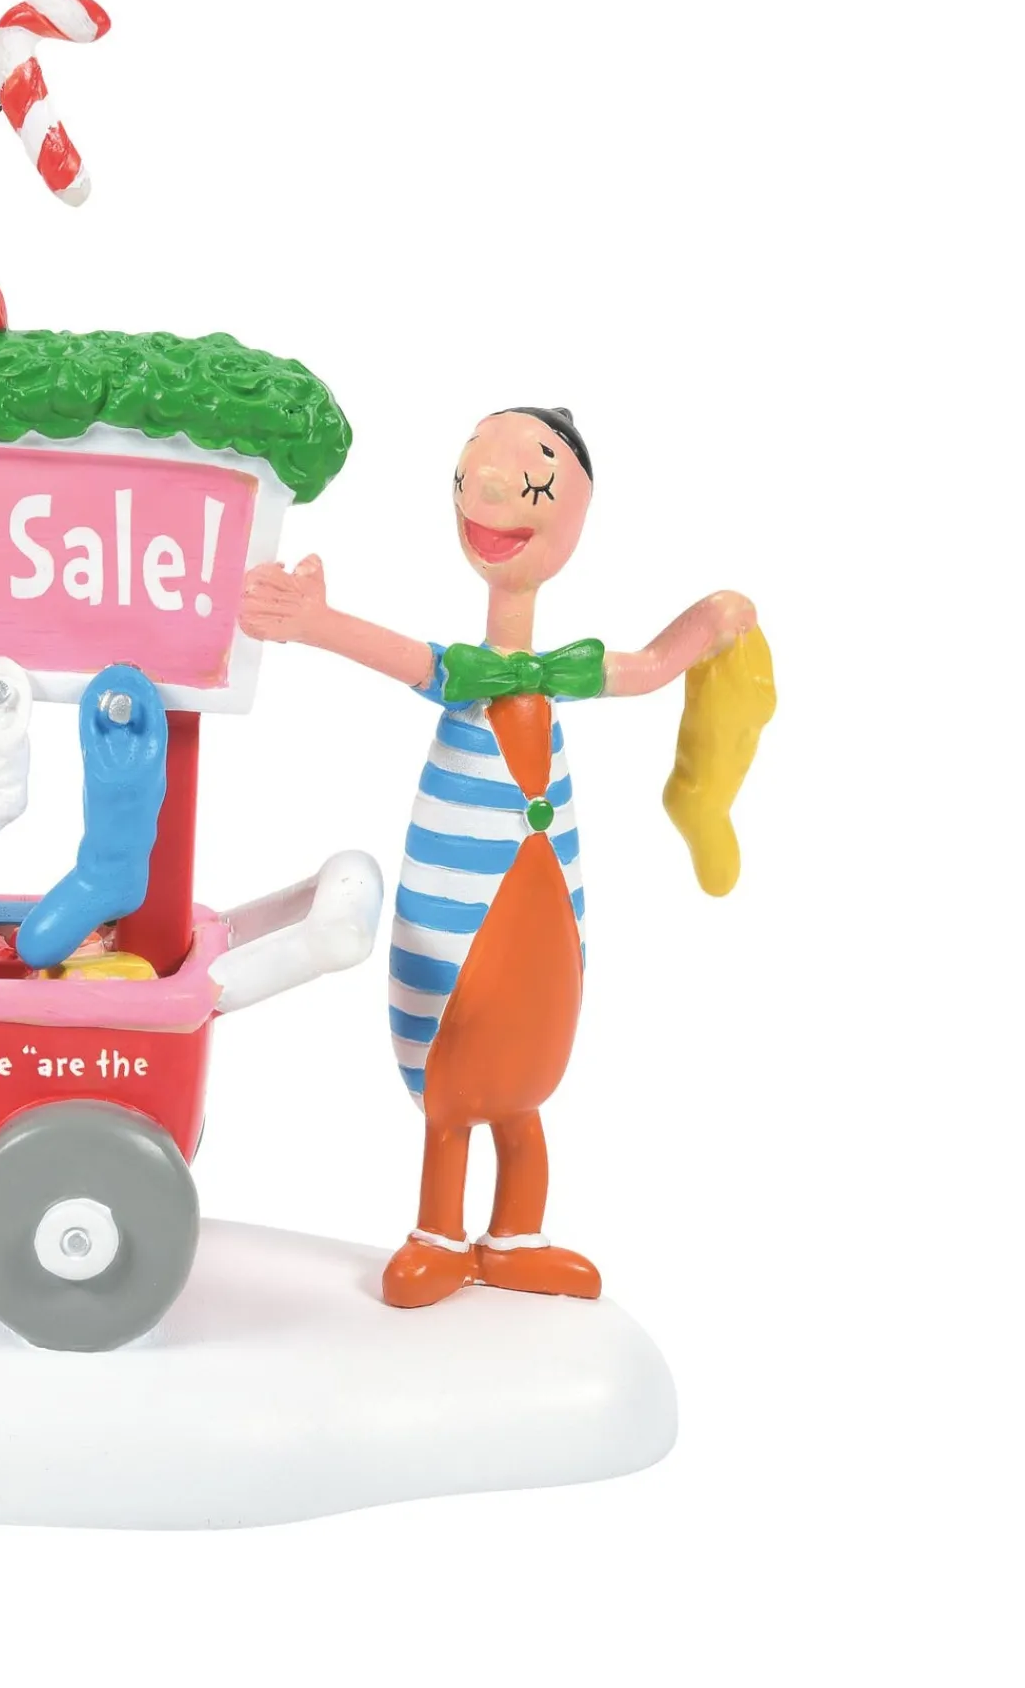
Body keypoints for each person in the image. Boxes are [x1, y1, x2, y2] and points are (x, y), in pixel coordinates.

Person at [240, 408, 757, 1309]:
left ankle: (516, 1238)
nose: (488, 484)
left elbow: (648, 667)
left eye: (537, 465)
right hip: (461, 905)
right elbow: (396, 654)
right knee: (453, 1079)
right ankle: (439, 1237)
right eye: (473, 468)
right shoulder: (460, 673)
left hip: (548, 907)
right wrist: (313, 622)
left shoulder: (563, 674)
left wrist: (712, 622)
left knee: (528, 1075)